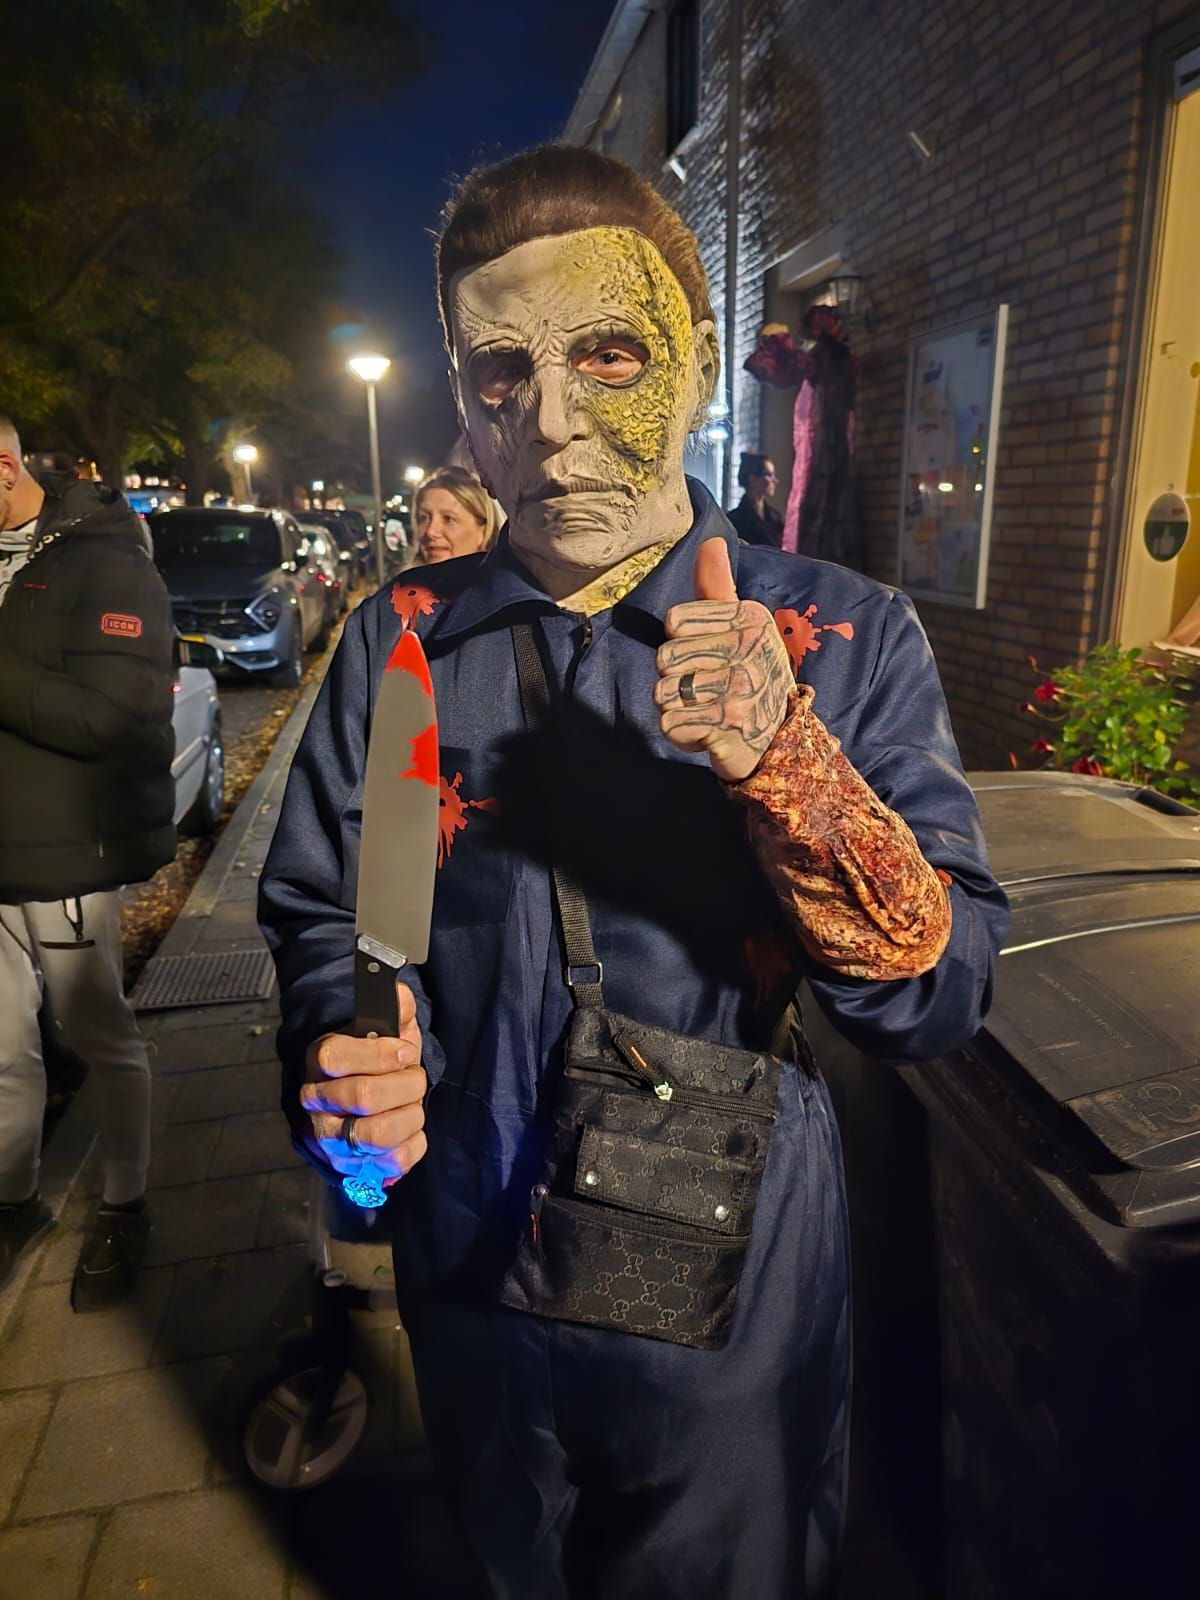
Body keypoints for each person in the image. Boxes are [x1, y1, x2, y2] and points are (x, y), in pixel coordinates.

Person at [259, 146, 1008, 1598]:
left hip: (727, 1291)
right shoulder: (405, 644)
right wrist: (348, 1046)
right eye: (501, 374)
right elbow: (341, 912)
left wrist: (788, 767)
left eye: (606, 354)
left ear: (701, 358)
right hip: (469, 1272)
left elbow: (941, 995)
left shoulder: (840, 635)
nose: (548, 422)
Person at [0, 417, 175, 1308]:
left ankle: (124, 1201)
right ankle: (14, 1200)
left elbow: (111, 713)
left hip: (67, 849)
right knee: (0, 1046)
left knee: (99, 1036)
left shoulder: (105, 558)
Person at [410, 464, 498, 565]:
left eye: (448, 519)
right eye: (424, 518)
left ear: (484, 531)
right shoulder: (405, 575)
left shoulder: (502, 575)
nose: (430, 532)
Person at [727, 450, 784, 548]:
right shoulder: (733, 520)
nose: (775, 481)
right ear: (752, 479)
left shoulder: (775, 516)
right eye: (769, 475)